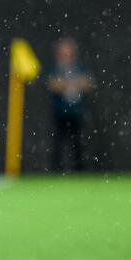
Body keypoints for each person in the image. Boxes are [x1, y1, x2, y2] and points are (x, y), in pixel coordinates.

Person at [46, 37, 94, 172]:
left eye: (68, 50)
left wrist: (66, 83)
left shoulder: (79, 67)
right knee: (58, 144)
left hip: (76, 112)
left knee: (78, 144)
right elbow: (53, 84)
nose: (66, 53)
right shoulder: (55, 68)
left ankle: (79, 171)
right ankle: (56, 171)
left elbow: (88, 82)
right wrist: (73, 83)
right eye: (63, 50)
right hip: (60, 113)